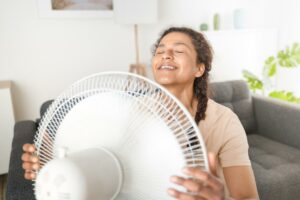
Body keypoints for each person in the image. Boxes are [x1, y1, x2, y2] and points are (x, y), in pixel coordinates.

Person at [22, 27, 259, 200]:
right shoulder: (133, 110)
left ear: (199, 68)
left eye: (178, 51)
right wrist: (54, 167)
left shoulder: (224, 122)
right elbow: (107, 164)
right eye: (160, 51)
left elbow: (248, 197)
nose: (165, 55)